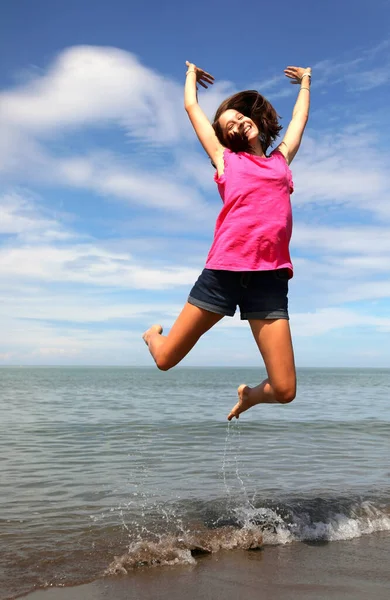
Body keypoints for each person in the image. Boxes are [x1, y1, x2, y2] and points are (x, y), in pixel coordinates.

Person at [143, 61, 311, 420]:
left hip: (269, 279)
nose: (237, 123)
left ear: (254, 121)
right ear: (227, 137)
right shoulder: (225, 160)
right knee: (164, 360)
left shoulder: (281, 161)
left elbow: (297, 123)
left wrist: (306, 83)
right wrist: (189, 76)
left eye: (239, 117)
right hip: (223, 272)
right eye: (229, 125)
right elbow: (192, 109)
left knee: (285, 391)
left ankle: (249, 395)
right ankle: (151, 334)